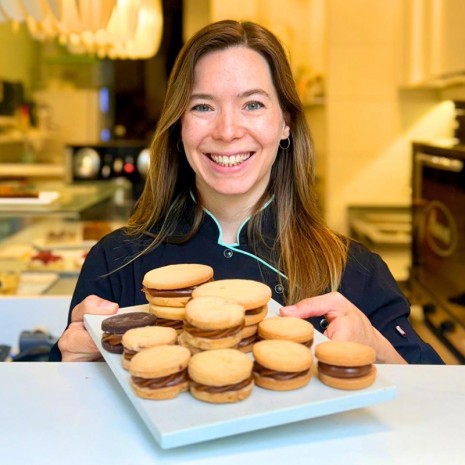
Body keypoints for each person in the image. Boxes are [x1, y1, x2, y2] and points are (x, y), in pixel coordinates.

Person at [50, 19, 443, 364]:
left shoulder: (352, 270)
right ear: (178, 126)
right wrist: (72, 368)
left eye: (252, 104)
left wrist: (376, 347)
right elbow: (55, 423)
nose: (226, 131)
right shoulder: (115, 262)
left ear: (285, 123)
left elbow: (439, 406)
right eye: (203, 107)